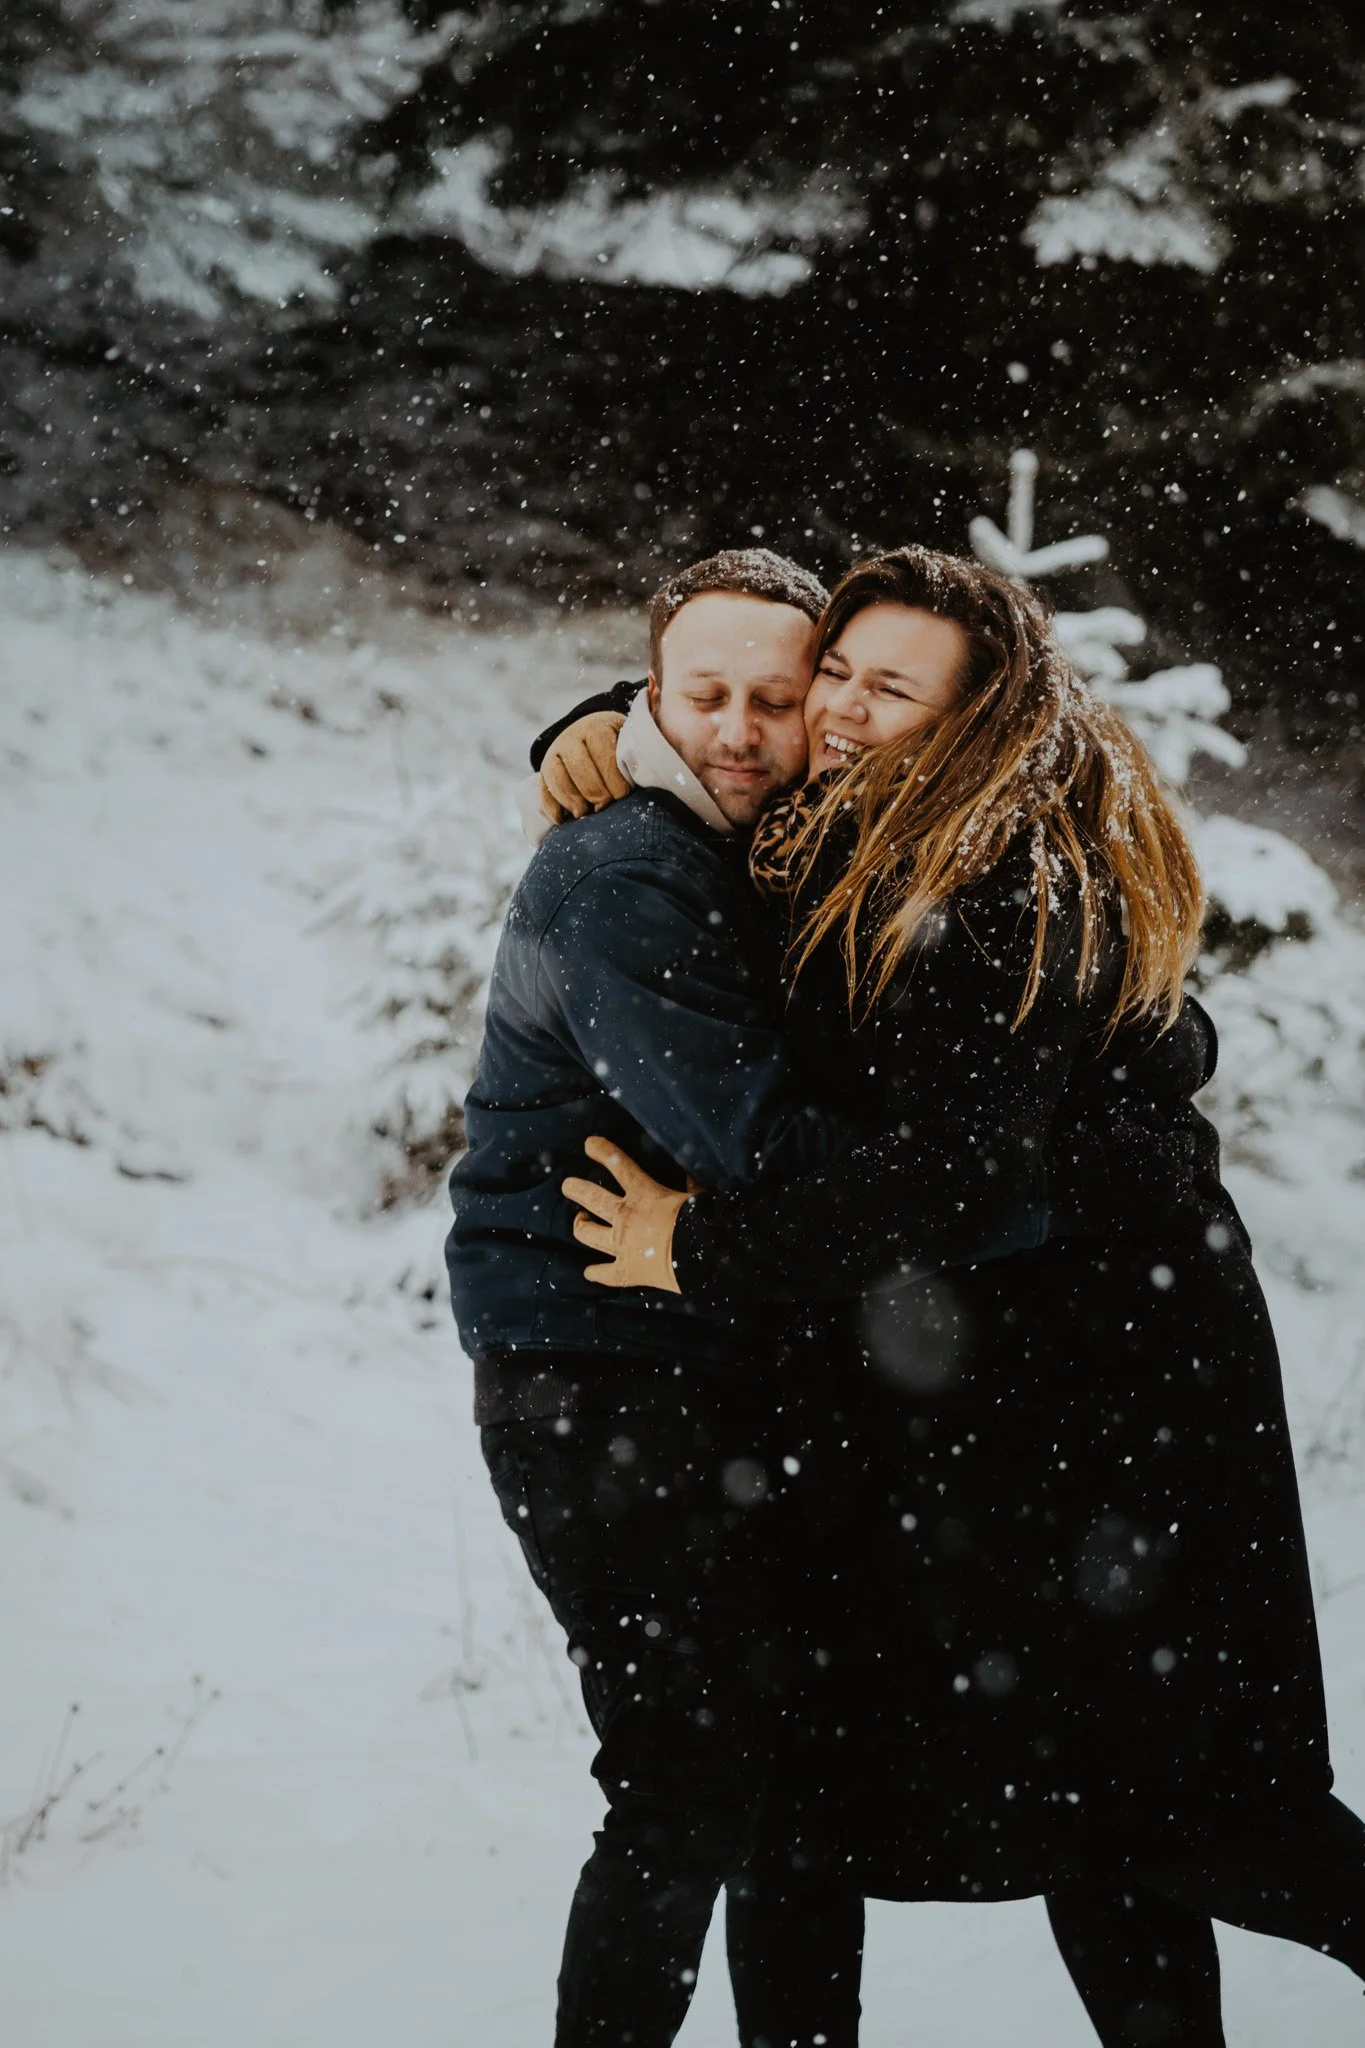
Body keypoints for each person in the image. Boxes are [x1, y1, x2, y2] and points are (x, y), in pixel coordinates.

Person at [561, 545, 1365, 2047]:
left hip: (1105, 1397)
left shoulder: (994, 885)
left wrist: (702, 1251)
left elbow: (950, 1181)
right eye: (841, 678)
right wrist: (608, 725)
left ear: (978, 713)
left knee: (1182, 1807)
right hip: (998, 1382)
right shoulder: (897, 820)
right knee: (1010, 1799)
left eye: (893, 690)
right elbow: (741, 697)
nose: (845, 713)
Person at [447, 546, 1202, 2048]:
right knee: (689, 1785)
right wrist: (1004, 1183)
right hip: (599, 1362)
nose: (749, 726)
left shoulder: (820, 825)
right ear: (653, 696)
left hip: (730, 1361)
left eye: (779, 699)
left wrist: (1110, 1086)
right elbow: (771, 1142)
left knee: (782, 1781)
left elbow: (1095, 991)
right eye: (700, 699)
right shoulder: (628, 875)